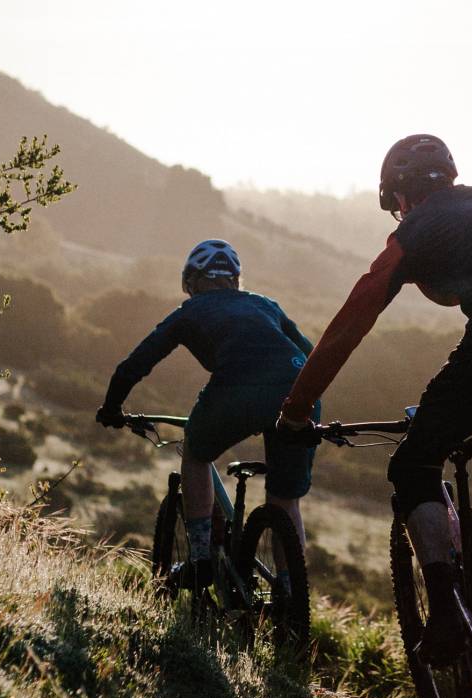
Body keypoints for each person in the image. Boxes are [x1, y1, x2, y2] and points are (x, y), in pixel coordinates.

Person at [276, 134, 472, 664]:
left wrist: (296, 409)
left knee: (415, 463)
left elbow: (350, 323)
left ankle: (444, 614)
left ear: (398, 195)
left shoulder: (414, 230)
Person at [97, 239, 318, 580]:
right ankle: (291, 595)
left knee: (196, 452)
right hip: (301, 391)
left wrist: (112, 408)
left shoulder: (191, 311)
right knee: (285, 500)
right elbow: (311, 353)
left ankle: (201, 559)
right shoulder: (265, 304)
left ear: (192, 281)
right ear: (235, 279)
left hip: (238, 390)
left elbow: (135, 364)